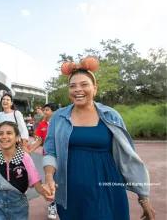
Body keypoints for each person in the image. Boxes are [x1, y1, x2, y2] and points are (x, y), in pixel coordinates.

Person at [43, 57, 155, 220]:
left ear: (94, 88)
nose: (77, 89)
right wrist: (48, 177)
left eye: (84, 84)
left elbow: (128, 158)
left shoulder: (111, 115)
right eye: (72, 86)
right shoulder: (59, 117)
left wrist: (143, 198)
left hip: (108, 188)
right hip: (71, 192)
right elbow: (50, 151)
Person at [29, 103, 58, 219]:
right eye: (44, 110)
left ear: (54, 111)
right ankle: (53, 205)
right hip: (49, 157)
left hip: (63, 157)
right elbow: (39, 141)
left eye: (47, 110)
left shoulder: (62, 123)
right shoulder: (42, 124)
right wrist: (29, 150)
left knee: (63, 182)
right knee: (51, 181)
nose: (45, 112)